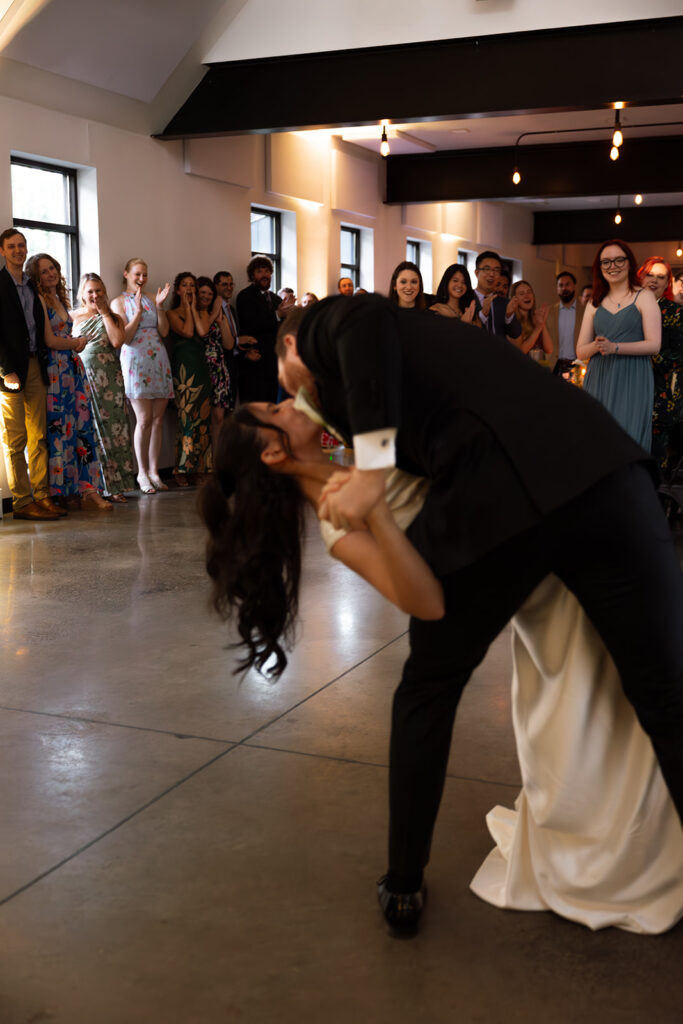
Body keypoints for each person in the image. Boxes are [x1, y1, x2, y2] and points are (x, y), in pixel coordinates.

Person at [275, 296, 683, 932]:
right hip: (601, 476)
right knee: (668, 698)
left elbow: (361, 321)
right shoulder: (375, 404)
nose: (296, 401)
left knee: (429, 689)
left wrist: (372, 472)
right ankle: (403, 883)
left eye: (287, 388)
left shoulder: (336, 330)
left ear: (291, 348)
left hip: (511, 497)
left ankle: (403, 884)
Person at [25, 253, 111, 510]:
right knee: (59, 430)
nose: (50, 273)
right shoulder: (40, 300)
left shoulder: (59, 298)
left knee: (81, 427)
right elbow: (49, 340)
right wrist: (76, 342)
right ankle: (60, 491)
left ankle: (85, 488)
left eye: (52, 268)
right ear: (36, 277)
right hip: (54, 370)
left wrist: (76, 345)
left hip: (72, 368)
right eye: (44, 271)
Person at [0, 228, 65, 519]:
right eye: (12, 246)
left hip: (35, 365)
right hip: (10, 372)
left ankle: (42, 495)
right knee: (15, 441)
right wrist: (6, 371)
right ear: (2, 251)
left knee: (38, 436)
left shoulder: (31, 286)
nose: (18, 250)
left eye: (21, 245)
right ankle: (22, 502)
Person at [577, 240, 660, 451]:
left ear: (629, 263)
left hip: (633, 377)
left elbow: (654, 345)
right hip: (599, 377)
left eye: (618, 260)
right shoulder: (595, 302)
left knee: (627, 442)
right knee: (598, 442)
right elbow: (580, 351)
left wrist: (615, 347)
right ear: (599, 267)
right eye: (606, 262)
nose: (612, 266)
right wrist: (598, 346)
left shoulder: (644, 297)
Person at [111, 259, 173, 494]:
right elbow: (124, 338)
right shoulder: (118, 302)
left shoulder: (152, 297)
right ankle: (142, 473)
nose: (141, 279)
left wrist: (159, 306)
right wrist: (137, 312)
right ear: (126, 274)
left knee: (158, 420)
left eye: (145, 275)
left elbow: (164, 331)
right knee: (144, 419)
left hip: (158, 357)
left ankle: (155, 471)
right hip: (135, 359)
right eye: (137, 274)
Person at [72, 274, 135, 502]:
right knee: (89, 431)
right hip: (83, 379)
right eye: (90, 291)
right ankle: (92, 487)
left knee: (113, 431)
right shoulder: (73, 317)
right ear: (82, 294)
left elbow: (117, 341)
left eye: (98, 290)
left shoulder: (114, 317)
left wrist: (105, 313)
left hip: (109, 381)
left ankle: (116, 485)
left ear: (104, 292)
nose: (95, 295)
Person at [638, 256, 683, 475]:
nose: (654, 280)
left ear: (667, 283)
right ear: (640, 277)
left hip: (661, 394)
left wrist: (643, 354)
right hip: (630, 390)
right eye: (650, 275)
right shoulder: (628, 310)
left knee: (656, 465)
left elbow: (678, 356)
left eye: (661, 277)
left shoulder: (676, 312)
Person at [167, 272, 212, 485]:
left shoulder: (202, 312)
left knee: (202, 418)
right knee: (186, 418)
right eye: (185, 285)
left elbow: (201, 332)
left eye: (192, 285)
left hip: (201, 367)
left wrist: (193, 308)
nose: (189, 289)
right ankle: (182, 468)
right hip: (183, 367)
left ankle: (200, 466)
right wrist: (186, 307)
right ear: (178, 290)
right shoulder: (171, 313)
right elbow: (187, 331)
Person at [235, 255, 295, 403]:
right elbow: (251, 324)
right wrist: (277, 314)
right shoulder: (245, 296)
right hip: (255, 364)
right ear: (252, 276)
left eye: (267, 271)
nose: (264, 275)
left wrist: (290, 315)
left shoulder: (276, 299)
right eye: (259, 271)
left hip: (274, 364)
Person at [196, 275, 234, 453]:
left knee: (219, 416)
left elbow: (229, 344)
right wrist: (213, 315)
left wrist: (220, 320)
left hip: (219, 367)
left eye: (210, 294)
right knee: (202, 416)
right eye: (203, 293)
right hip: (201, 366)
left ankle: (217, 459)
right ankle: (204, 459)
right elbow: (202, 332)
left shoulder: (216, 313)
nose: (206, 296)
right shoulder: (195, 313)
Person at [472, 251, 521, 341]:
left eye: (496, 270)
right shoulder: (466, 298)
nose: (492, 274)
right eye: (487, 269)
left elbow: (515, 334)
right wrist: (482, 315)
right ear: (477, 273)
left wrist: (509, 316)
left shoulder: (504, 302)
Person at [546, 271, 581, 374]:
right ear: (557, 288)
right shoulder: (549, 312)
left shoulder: (585, 312)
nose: (564, 288)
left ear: (574, 286)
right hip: (554, 366)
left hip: (578, 365)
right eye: (561, 285)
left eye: (567, 284)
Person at [509, 280, 553, 359]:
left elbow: (549, 349)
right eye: (522, 294)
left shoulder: (535, 318)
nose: (527, 296)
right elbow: (520, 352)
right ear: (514, 299)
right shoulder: (512, 321)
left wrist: (542, 323)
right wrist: (538, 328)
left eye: (529, 292)